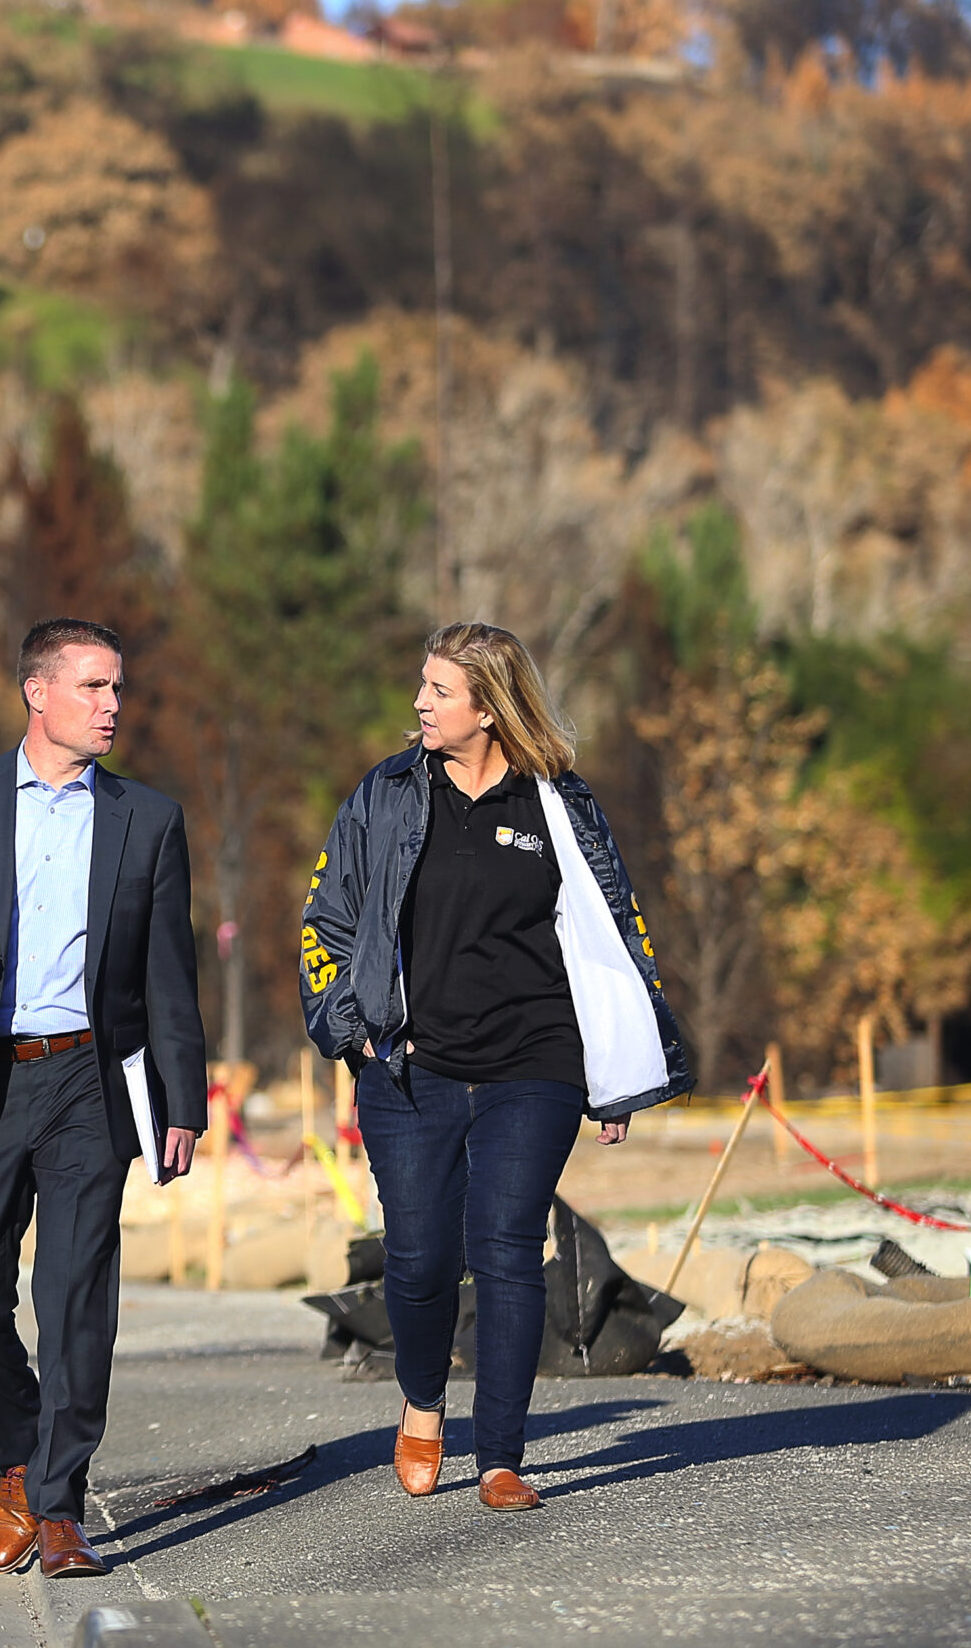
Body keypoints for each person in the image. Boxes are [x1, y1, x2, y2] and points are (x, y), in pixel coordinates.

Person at [298, 621, 691, 1512]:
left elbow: (615, 932)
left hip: (535, 1062)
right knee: (420, 1254)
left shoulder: (559, 803)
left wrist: (618, 1067)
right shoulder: (388, 795)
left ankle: (504, 1456)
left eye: (439, 691)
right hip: (410, 1065)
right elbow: (325, 921)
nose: (420, 704)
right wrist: (352, 1027)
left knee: (509, 1247)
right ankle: (424, 1404)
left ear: (490, 705)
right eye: (423, 687)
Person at [0, 618, 208, 1579]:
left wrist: (181, 1102)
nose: (114, 707)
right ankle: (20, 1458)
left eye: (118, 689)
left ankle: (61, 1507)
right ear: (38, 691)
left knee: (73, 1300)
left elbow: (169, 978)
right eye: (95, 688)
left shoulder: (149, 819)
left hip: (88, 1084)